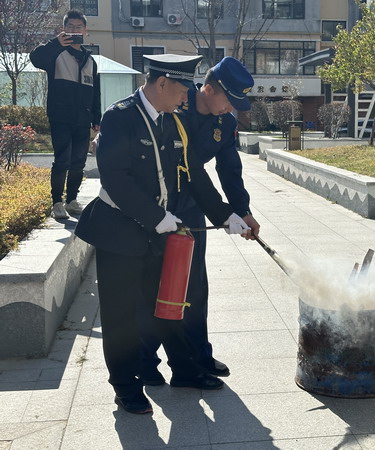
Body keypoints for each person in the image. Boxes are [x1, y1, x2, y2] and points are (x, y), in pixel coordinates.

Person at [74, 54, 251, 415]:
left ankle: (184, 369)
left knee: (169, 304)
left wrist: (226, 215)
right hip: (120, 231)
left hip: (158, 229)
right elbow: (116, 179)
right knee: (122, 315)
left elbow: (193, 174)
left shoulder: (171, 122)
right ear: (161, 83)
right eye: (183, 88)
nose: (187, 95)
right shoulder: (120, 117)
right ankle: (126, 386)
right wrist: (158, 218)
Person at [139, 57, 260, 385]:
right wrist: (223, 214)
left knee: (194, 285)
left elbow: (230, 170)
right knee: (158, 284)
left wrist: (242, 211)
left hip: (193, 205)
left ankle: (198, 355)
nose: (230, 109)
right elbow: (189, 166)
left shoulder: (226, 123)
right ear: (208, 89)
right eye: (228, 100)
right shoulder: (174, 105)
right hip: (160, 204)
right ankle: (146, 361)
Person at [30, 9, 101, 219]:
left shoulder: (91, 61)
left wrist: (96, 118)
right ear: (64, 29)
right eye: (70, 27)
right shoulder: (56, 54)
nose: (75, 30)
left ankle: (71, 200)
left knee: (79, 161)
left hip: (83, 119)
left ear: (85, 30)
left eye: (79, 27)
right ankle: (57, 203)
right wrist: (55, 43)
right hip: (60, 117)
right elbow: (35, 58)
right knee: (62, 160)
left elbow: (95, 92)